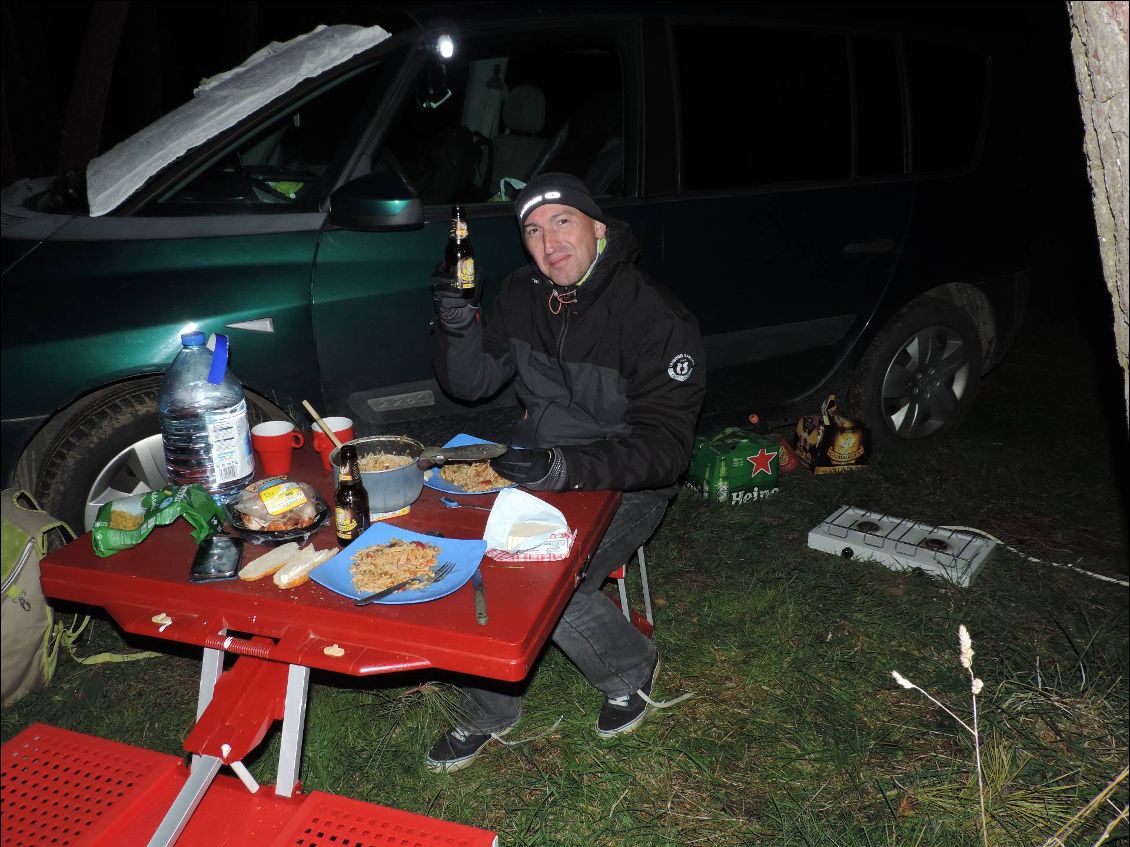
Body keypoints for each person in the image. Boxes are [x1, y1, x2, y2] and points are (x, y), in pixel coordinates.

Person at [427, 172, 705, 773]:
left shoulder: (653, 315)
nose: (550, 243)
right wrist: (456, 327)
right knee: (456, 555)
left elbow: (666, 448)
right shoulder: (521, 294)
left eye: (563, 222)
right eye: (533, 230)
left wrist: (567, 466)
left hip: (625, 477)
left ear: (598, 230)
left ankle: (629, 669)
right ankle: (492, 706)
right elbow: (471, 384)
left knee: (550, 576)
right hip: (539, 464)